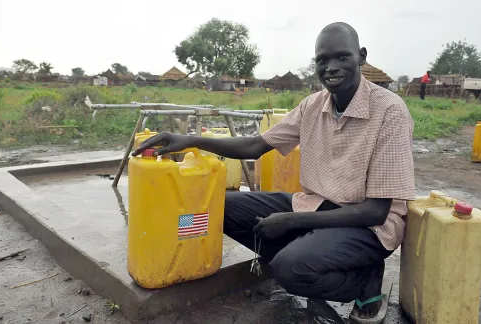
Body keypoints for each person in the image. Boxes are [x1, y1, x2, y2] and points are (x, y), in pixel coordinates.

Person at [133, 22, 415, 324]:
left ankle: (365, 281)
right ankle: (309, 255)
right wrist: (191, 139)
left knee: (288, 268)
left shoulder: (389, 111)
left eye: (342, 57)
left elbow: (375, 211)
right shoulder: (312, 106)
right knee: (215, 207)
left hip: (370, 226)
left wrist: (292, 220)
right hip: (318, 205)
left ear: (361, 57)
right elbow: (255, 145)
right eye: (322, 60)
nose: (331, 67)